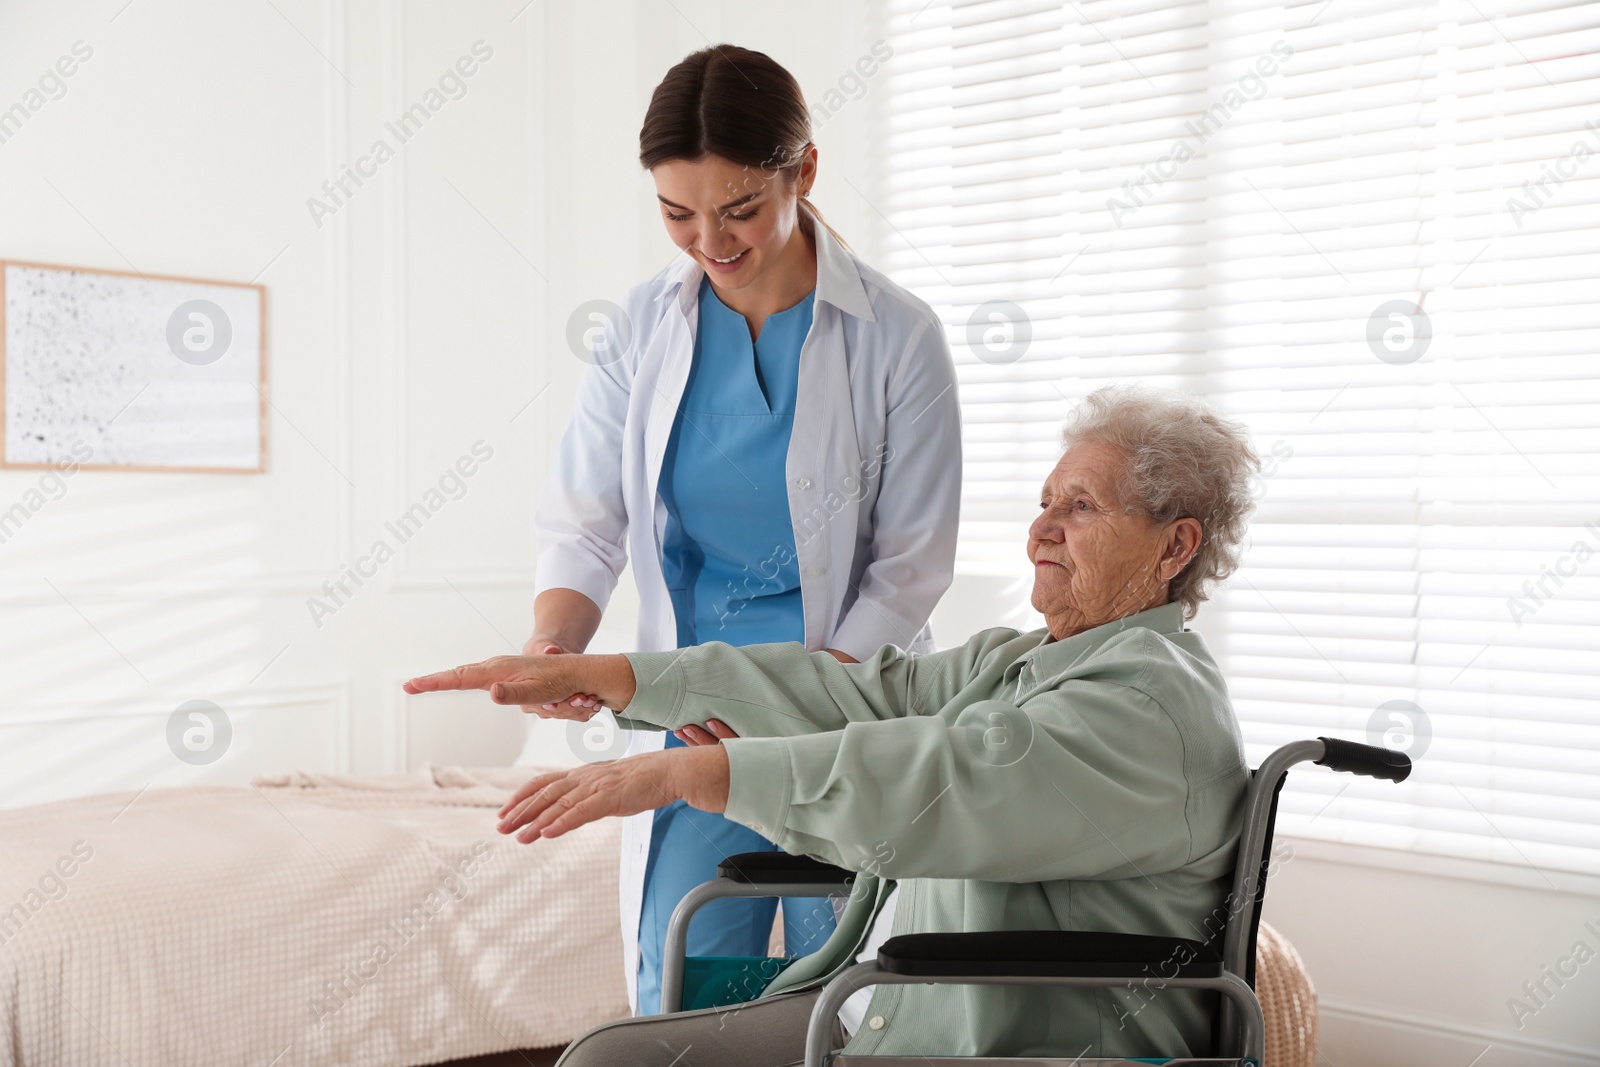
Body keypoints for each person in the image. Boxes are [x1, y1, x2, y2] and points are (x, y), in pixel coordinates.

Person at [406, 386, 1262, 1064]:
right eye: (1045, 501)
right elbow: (857, 695)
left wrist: (687, 775)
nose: (1040, 528)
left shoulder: (1148, 704)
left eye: (1081, 506)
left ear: (1174, 546)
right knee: (616, 1055)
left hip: (1023, 1044)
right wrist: (607, 676)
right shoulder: (1028, 657)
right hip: (902, 1014)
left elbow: (941, 780)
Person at [526, 44, 961, 1014]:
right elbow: (587, 517)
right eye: (676, 214)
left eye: (737, 210)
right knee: (681, 991)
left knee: (840, 997)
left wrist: (801, 702)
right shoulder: (641, 326)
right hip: (694, 712)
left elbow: (911, 565)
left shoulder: (897, 335)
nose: (707, 241)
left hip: (840, 715)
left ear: (801, 173)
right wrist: (557, 640)